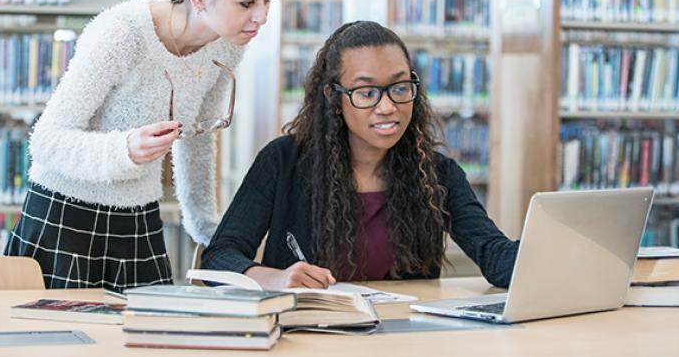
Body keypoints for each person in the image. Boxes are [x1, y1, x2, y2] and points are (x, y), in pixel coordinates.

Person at [5, 0, 278, 291]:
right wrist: (124, 149)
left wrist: (207, 232)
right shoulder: (122, 33)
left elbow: (199, 139)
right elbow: (46, 142)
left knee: (147, 342)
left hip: (138, 215)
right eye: (247, 2)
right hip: (64, 213)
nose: (262, 16)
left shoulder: (229, 43)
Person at [201, 21, 518, 290]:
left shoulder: (435, 171)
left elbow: (493, 254)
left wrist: (554, 250)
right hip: (305, 334)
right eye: (366, 92)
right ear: (333, 96)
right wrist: (274, 278)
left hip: (402, 337)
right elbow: (219, 257)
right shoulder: (283, 161)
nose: (387, 106)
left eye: (400, 87)